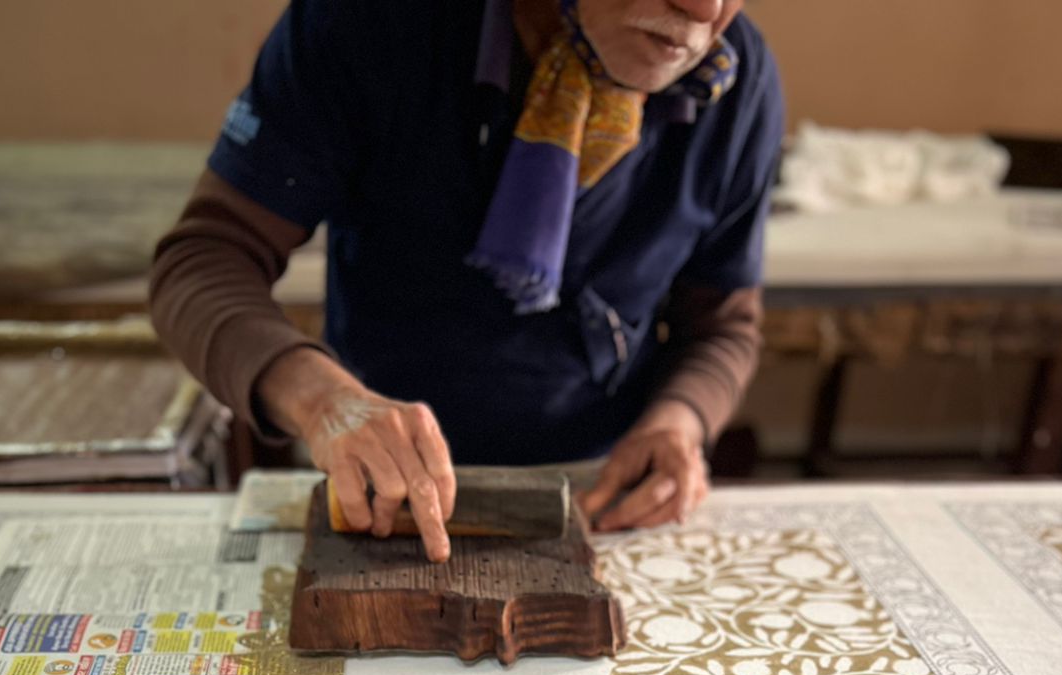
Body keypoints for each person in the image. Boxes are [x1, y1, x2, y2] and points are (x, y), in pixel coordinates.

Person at [151, 0, 783, 560]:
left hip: (604, 501)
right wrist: (323, 401)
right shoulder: (367, 20)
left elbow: (723, 324)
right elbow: (205, 258)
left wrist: (681, 422)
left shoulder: (736, 78)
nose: (703, 11)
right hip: (380, 492)